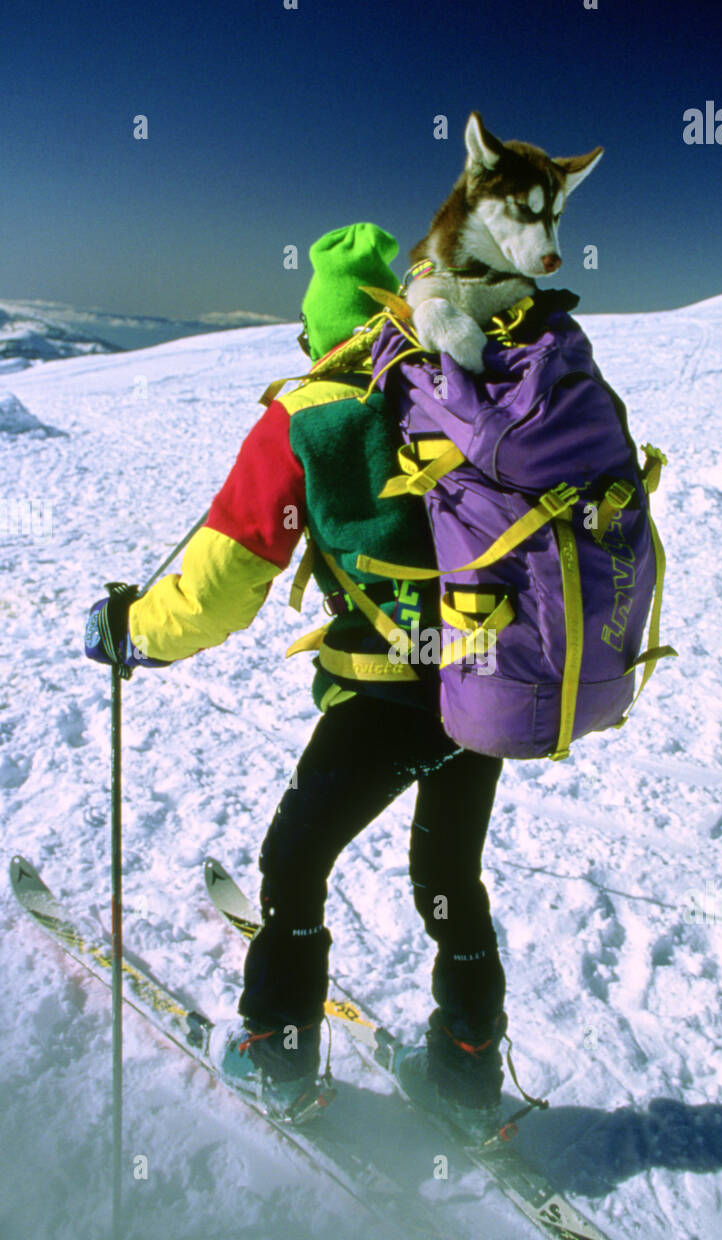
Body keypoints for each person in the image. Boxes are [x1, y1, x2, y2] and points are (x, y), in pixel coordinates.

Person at [85, 224, 508, 1136]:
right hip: (486, 688)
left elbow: (224, 579)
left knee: (295, 863)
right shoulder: (458, 393)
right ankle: (468, 1072)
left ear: (319, 331)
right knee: (449, 876)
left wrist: (133, 633)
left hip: (390, 698)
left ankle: (278, 1052)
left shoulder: (308, 417)